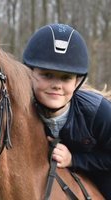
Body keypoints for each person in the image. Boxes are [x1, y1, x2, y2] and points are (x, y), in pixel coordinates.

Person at [23, 23, 111, 199]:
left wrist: (74, 159)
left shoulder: (98, 112)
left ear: (77, 81)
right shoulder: (19, 110)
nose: (56, 85)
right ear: (30, 73)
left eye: (66, 78)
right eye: (47, 75)